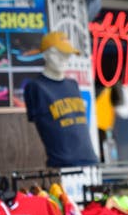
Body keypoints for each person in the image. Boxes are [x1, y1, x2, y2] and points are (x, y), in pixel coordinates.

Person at [24, 31, 98, 167]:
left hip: (89, 159)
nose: (64, 59)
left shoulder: (73, 85)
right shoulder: (36, 87)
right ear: (46, 54)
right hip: (61, 164)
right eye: (59, 54)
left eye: (67, 55)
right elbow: (33, 131)